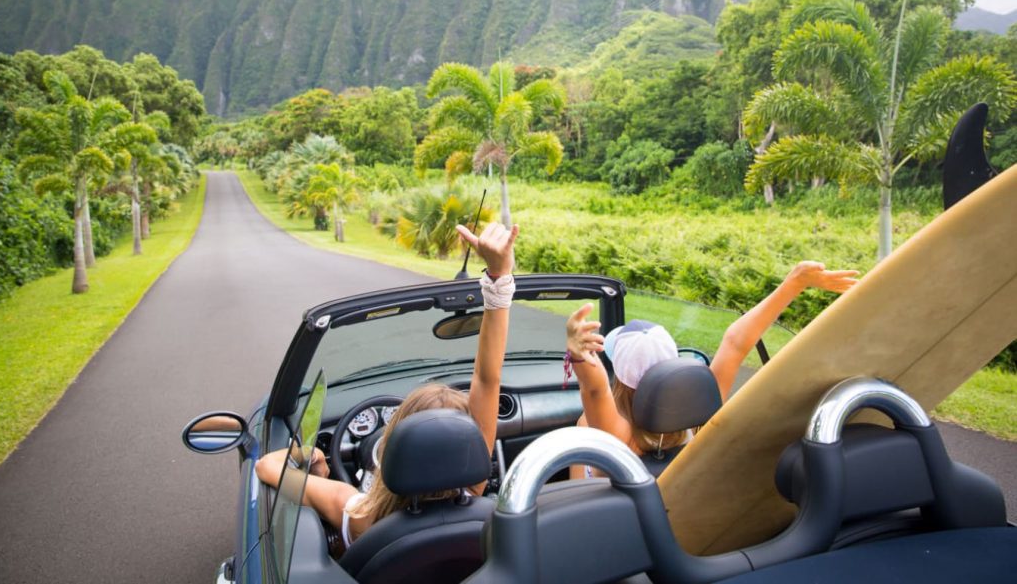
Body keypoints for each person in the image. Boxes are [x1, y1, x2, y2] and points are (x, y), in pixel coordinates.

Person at [255, 221, 518, 548]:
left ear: (391, 445)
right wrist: (499, 274)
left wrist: (311, 454)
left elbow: (267, 467)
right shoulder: (479, 496)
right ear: (470, 450)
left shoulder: (357, 513)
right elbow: (487, 378)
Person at [565, 261, 859, 475]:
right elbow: (735, 343)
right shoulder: (699, 414)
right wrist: (794, 282)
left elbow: (595, 390)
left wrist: (578, 354)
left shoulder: (614, 433)